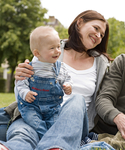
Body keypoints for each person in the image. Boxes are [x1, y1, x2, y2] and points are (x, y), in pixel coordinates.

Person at [0, 10, 111, 150]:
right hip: (37, 115)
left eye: (102, 34)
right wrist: (20, 79)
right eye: (96, 28)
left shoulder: (102, 63)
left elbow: (105, 99)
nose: (98, 35)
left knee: (77, 99)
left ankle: (54, 146)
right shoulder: (50, 48)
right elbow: (25, 86)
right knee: (23, 133)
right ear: (80, 22)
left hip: (70, 123)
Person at [16, 26, 72, 139]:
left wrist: (68, 86)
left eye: (58, 46)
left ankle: (49, 140)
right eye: (52, 48)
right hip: (32, 107)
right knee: (34, 123)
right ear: (37, 53)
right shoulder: (29, 67)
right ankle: (46, 139)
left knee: (55, 125)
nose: (57, 51)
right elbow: (20, 84)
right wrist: (25, 93)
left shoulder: (60, 67)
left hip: (52, 107)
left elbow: (67, 79)